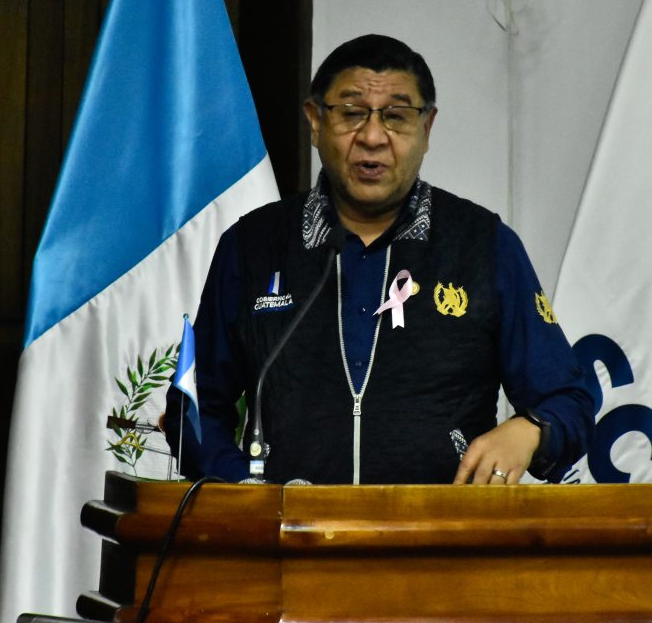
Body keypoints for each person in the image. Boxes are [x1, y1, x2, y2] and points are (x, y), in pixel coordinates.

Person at [165, 34, 593, 485]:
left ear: (426, 128)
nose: (372, 137)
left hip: (440, 526)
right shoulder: (253, 245)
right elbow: (193, 408)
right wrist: (247, 493)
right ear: (315, 122)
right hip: (285, 526)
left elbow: (569, 402)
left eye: (396, 117)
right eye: (351, 114)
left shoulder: (483, 244)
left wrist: (530, 430)